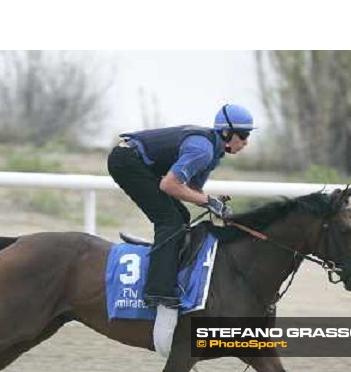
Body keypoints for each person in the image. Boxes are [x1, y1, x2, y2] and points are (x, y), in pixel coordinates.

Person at [107, 103, 254, 309]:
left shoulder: (213, 153)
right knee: (170, 221)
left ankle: (166, 274)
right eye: (244, 135)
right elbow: (169, 185)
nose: (246, 142)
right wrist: (208, 201)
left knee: (182, 217)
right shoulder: (202, 150)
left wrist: (214, 204)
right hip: (126, 161)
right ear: (227, 132)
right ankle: (157, 292)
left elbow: (193, 190)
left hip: (136, 161)